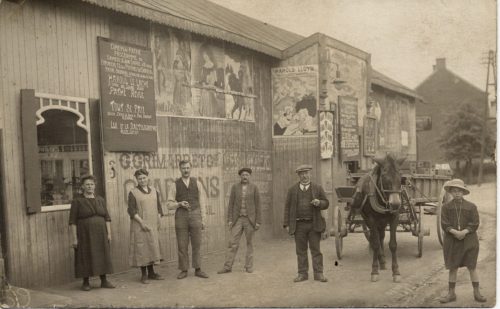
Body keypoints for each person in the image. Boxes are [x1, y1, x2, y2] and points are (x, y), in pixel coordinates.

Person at [439, 179, 487, 303]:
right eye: (454, 191)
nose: (456, 193)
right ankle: (451, 293)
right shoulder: (446, 207)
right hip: (452, 240)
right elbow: (444, 223)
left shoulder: (471, 207)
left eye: (459, 191)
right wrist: (455, 232)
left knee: (472, 266)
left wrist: (464, 232)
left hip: (469, 240)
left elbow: (475, 223)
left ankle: (477, 292)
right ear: (450, 193)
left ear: (463, 192)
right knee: (453, 267)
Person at [283, 164, 329, 283]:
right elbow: (287, 208)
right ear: (299, 175)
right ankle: (302, 274)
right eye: (302, 174)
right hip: (299, 225)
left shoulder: (317, 188)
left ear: (310, 174)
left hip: (314, 224)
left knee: (316, 250)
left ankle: (319, 274)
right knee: (301, 250)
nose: (304, 176)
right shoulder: (292, 190)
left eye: (306, 173)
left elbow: (326, 203)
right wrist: (287, 224)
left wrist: (319, 202)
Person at [69, 175, 114, 291]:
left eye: (92, 184)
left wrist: (109, 233)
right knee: (85, 256)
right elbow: (72, 221)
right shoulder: (77, 201)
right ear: (83, 187)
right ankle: (85, 282)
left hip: (101, 233)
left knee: (102, 255)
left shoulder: (100, 200)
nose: (90, 186)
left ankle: (104, 280)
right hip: (85, 234)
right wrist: (74, 238)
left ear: (95, 186)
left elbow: (107, 218)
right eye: (87, 184)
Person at [167, 160, 209, 279]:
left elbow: (202, 202)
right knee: (182, 244)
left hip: (196, 214)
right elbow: (169, 205)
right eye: (183, 168)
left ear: (190, 169)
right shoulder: (175, 184)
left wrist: (203, 219)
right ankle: (184, 270)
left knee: (197, 243)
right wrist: (179, 204)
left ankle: (198, 269)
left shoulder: (197, 183)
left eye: (187, 168)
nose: (186, 170)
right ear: (180, 169)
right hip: (181, 216)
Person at [217, 167, 261, 274]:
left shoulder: (254, 188)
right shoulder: (235, 187)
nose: (245, 177)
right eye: (243, 175)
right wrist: (230, 219)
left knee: (250, 243)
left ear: (249, 176)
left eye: (247, 175)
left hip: (250, 220)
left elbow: (258, 205)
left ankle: (249, 266)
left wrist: (258, 221)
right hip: (238, 219)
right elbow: (231, 204)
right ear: (240, 176)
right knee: (232, 243)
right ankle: (227, 266)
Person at [128, 168, 164, 284]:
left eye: (144, 178)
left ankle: (152, 273)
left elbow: (159, 208)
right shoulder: (133, 192)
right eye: (140, 178)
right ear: (137, 180)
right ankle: (144, 275)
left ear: (148, 178)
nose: (142, 180)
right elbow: (131, 211)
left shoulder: (154, 190)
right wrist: (142, 222)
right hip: (140, 224)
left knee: (152, 247)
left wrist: (158, 219)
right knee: (142, 248)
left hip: (152, 223)